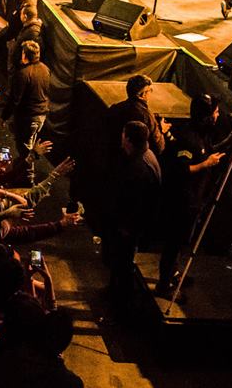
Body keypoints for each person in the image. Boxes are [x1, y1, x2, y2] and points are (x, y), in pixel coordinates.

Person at [157, 93, 226, 296]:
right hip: (182, 202)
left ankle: (174, 273)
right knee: (174, 243)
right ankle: (164, 285)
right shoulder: (190, 139)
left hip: (194, 197)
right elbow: (181, 170)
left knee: (180, 242)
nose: (218, 115)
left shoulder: (202, 133)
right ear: (206, 116)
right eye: (215, 112)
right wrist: (206, 164)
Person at [101, 120, 161, 319]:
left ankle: (120, 310)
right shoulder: (145, 157)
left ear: (127, 138)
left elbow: (136, 203)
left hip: (130, 227)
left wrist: (125, 226)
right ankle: (114, 295)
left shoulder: (139, 167)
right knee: (120, 264)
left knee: (123, 265)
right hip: (130, 225)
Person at [1, 40, 50, 184]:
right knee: (30, 145)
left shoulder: (22, 74)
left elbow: (14, 99)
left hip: (28, 117)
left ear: (24, 55)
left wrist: (5, 116)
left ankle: (27, 180)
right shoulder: (45, 69)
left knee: (26, 150)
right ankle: (22, 172)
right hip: (41, 116)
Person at [105, 74, 169, 156]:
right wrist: (160, 129)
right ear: (143, 94)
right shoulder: (146, 116)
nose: (151, 93)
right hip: (137, 161)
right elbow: (158, 148)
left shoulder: (115, 109)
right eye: (150, 90)